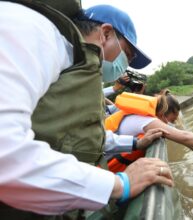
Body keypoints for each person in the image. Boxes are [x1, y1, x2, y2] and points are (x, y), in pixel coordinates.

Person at [0, 2, 172, 217]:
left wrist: (136, 142)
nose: (124, 66)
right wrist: (119, 185)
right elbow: (5, 151)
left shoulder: (75, 65)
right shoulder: (33, 31)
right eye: (127, 55)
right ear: (106, 34)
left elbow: (77, 137)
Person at [105, 91, 193, 172]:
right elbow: (184, 136)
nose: (169, 124)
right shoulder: (144, 120)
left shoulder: (146, 115)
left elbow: (178, 134)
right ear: (164, 113)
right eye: (171, 120)